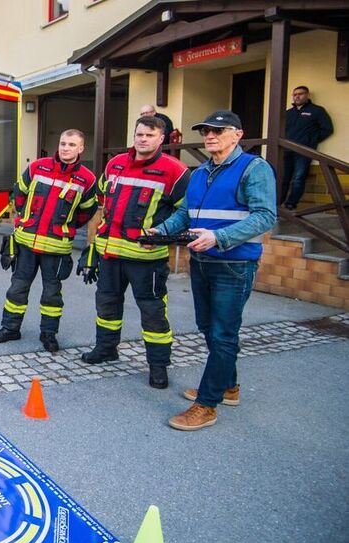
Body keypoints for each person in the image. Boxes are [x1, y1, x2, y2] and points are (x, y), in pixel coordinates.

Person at [150, 110, 276, 431]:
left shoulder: (254, 168)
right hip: (202, 261)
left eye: (219, 131)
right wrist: (161, 232)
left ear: (238, 134)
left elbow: (264, 217)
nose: (211, 136)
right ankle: (228, 387)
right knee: (208, 327)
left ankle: (207, 403)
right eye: (206, 131)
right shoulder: (201, 171)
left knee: (223, 332)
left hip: (234, 263)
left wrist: (219, 238)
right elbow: (184, 215)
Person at [79, 116, 190, 389]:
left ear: (161, 139)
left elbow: (186, 213)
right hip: (111, 255)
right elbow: (103, 204)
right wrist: (94, 250)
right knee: (106, 305)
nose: (142, 139)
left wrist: (163, 236)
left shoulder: (175, 171)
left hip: (146, 259)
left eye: (149, 135)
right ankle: (106, 348)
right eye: (139, 134)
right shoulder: (115, 164)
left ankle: (158, 366)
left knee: (152, 312)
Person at [0, 129, 97, 352]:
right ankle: (10, 328)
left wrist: (65, 227)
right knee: (17, 289)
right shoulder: (38, 167)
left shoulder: (87, 179)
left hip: (56, 247)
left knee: (52, 294)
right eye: (63, 143)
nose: (65, 148)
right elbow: (19, 193)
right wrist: (25, 219)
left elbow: (87, 211)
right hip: (26, 242)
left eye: (71, 144)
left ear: (81, 148)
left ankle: (49, 334)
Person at [280, 86, 333, 210]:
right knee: (283, 179)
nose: (297, 96)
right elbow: (280, 131)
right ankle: (277, 204)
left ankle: (290, 204)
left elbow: (327, 129)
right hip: (286, 150)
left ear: (307, 95)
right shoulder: (288, 113)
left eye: (300, 94)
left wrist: (311, 141)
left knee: (298, 178)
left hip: (303, 152)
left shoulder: (317, 111)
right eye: (294, 95)